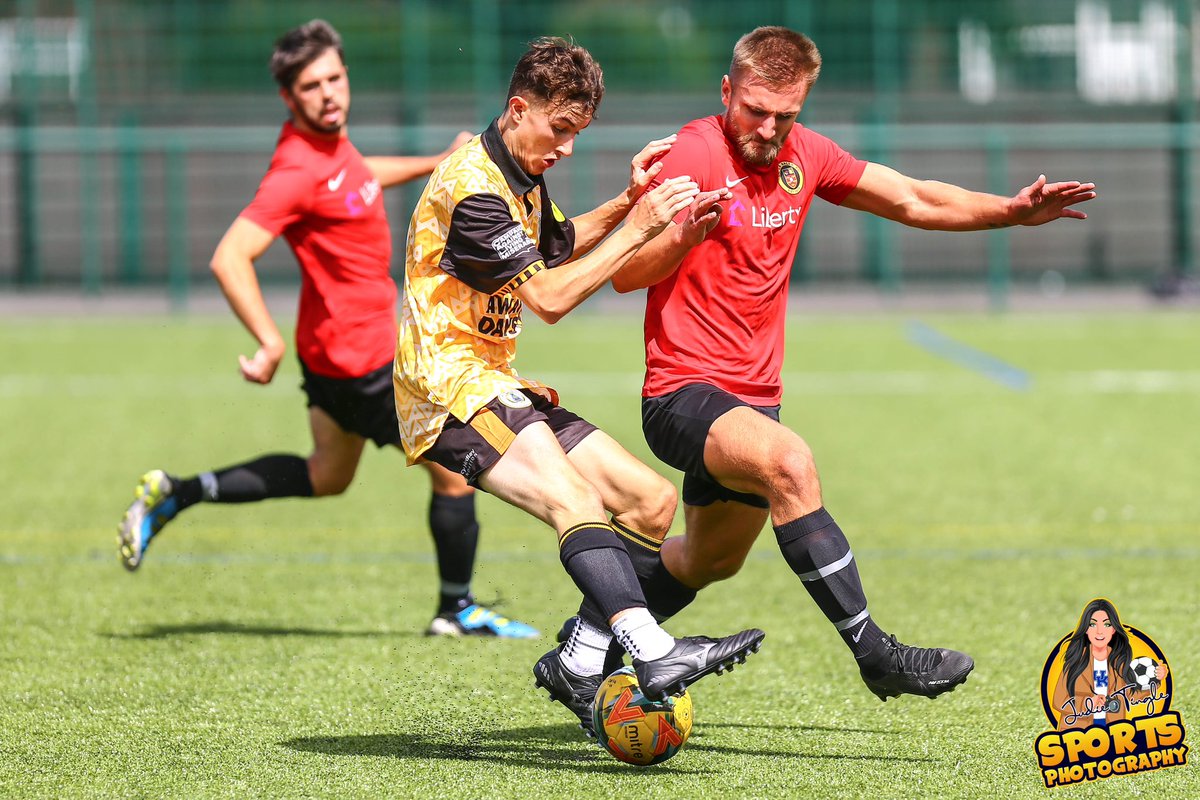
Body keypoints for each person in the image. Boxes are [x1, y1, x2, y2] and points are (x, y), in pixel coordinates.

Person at [550, 25, 1100, 709]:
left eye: (786, 114)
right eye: (755, 109)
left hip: (753, 402)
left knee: (707, 559)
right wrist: (683, 237)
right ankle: (876, 653)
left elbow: (912, 197)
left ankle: (580, 652)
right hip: (682, 393)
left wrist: (1010, 213)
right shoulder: (693, 151)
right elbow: (628, 272)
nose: (768, 127)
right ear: (728, 91)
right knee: (791, 466)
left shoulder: (804, 154)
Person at [116, 19, 538, 639]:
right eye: (311, 86)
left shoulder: (328, 150)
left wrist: (433, 162)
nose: (329, 93)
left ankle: (179, 491)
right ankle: (457, 610)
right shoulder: (295, 171)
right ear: (290, 98)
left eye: (335, 78)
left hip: (336, 356)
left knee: (327, 475)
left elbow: (358, 175)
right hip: (361, 359)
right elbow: (229, 257)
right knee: (453, 472)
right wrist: (267, 341)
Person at [393, 36, 763, 734]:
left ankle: (578, 661)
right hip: (447, 390)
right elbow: (553, 298)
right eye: (559, 130)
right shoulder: (472, 186)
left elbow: (556, 243)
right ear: (517, 108)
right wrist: (641, 229)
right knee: (576, 498)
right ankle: (653, 653)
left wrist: (631, 201)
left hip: (492, 382)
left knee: (649, 503)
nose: (565, 147)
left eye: (577, 134)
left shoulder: (518, 175)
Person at [1052, 598, 1168, 730]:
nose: (1099, 631)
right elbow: (1058, 700)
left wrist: (1156, 679)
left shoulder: (1119, 661)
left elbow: (1129, 693)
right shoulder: (1076, 661)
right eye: (1092, 624)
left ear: (1113, 629)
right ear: (1085, 629)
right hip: (1079, 731)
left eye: (1106, 624)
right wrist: (1087, 703)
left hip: (1113, 729)